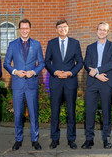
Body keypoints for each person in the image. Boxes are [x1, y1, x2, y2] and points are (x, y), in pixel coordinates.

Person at [3, 19, 45, 151]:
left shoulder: (37, 44)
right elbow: (6, 63)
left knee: (33, 113)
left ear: (30, 29)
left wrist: (33, 71)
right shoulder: (12, 44)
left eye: (27, 28)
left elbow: (42, 63)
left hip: (31, 84)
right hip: (18, 84)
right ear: (19, 30)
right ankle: (18, 139)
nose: (25, 30)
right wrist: (15, 72)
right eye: (22, 28)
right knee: (17, 114)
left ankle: (35, 139)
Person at [45, 19, 83, 149]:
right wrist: (55, 72)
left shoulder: (75, 43)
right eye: (60, 27)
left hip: (70, 82)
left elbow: (80, 62)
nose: (62, 29)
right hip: (55, 82)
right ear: (56, 30)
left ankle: (71, 139)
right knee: (55, 112)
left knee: (71, 112)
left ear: (68, 28)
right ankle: (54, 139)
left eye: (64, 27)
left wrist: (70, 73)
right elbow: (46, 61)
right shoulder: (51, 43)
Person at [81, 22, 112, 149]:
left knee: (106, 111)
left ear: (108, 32)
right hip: (93, 82)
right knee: (90, 111)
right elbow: (86, 63)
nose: (102, 32)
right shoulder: (90, 47)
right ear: (96, 31)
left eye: (105, 30)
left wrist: (97, 70)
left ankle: (106, 138)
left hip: (106, 81)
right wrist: (96, 75)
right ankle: (89, 139)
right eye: (100, 29)